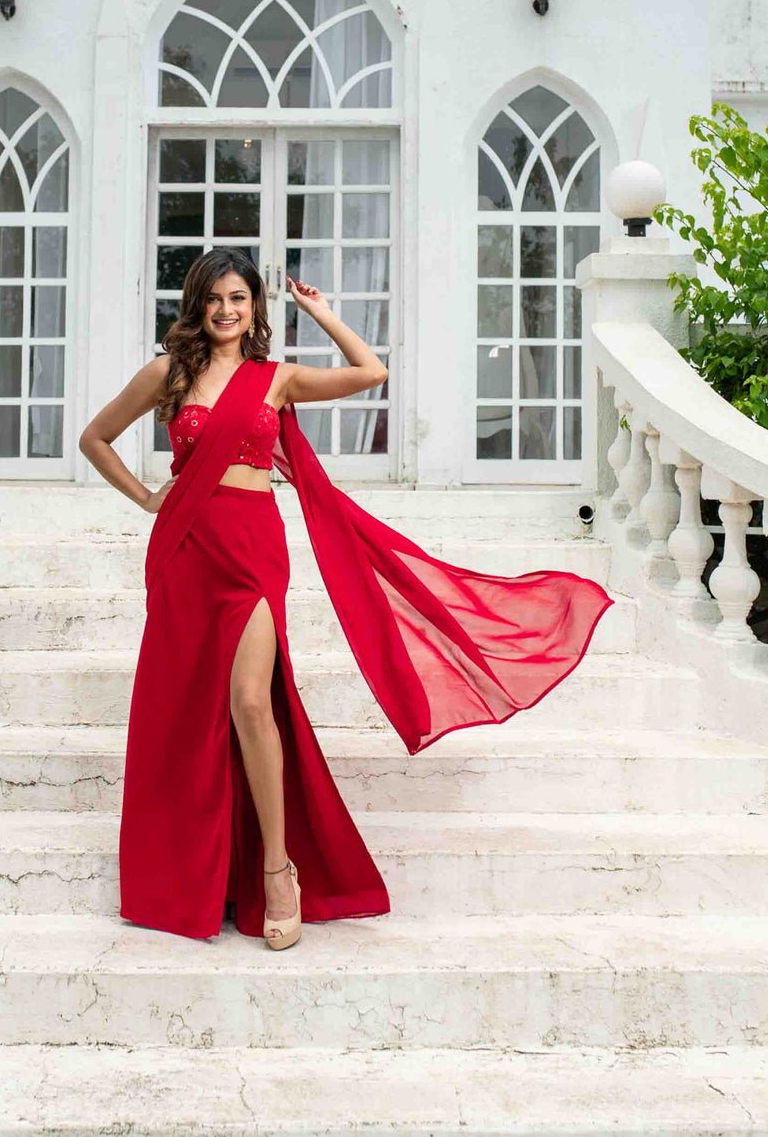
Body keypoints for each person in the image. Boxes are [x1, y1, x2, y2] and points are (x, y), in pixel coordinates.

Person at [79, 246, 612, 949]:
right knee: (183, 709)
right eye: (215, 299)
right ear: (196, 306)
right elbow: (95, 438)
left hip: (251, 552)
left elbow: (372, 372)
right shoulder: (167, 374)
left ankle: (278, 870)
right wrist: (149, 497)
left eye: (239, 299)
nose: (227, 311)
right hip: (184, 552)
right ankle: (191, 872)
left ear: (255, 309)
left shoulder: (276, 380)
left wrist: (324, 313)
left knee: (249, 701)